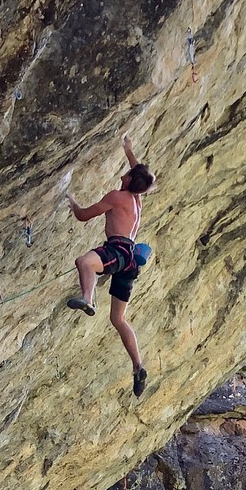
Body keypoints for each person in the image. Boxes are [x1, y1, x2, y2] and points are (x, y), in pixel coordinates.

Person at [66, 133, 155, 397]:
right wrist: (129, 150)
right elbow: (143, 179)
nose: (122, 176)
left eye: (126, 175)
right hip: (131, 261)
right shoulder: (138, 198)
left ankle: (87, 299)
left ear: (129, 182)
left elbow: (83, 216)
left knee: (85, 262)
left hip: (117, 251)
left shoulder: (117, 197)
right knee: (118, 318)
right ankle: (138, 366)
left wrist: (71, 200)